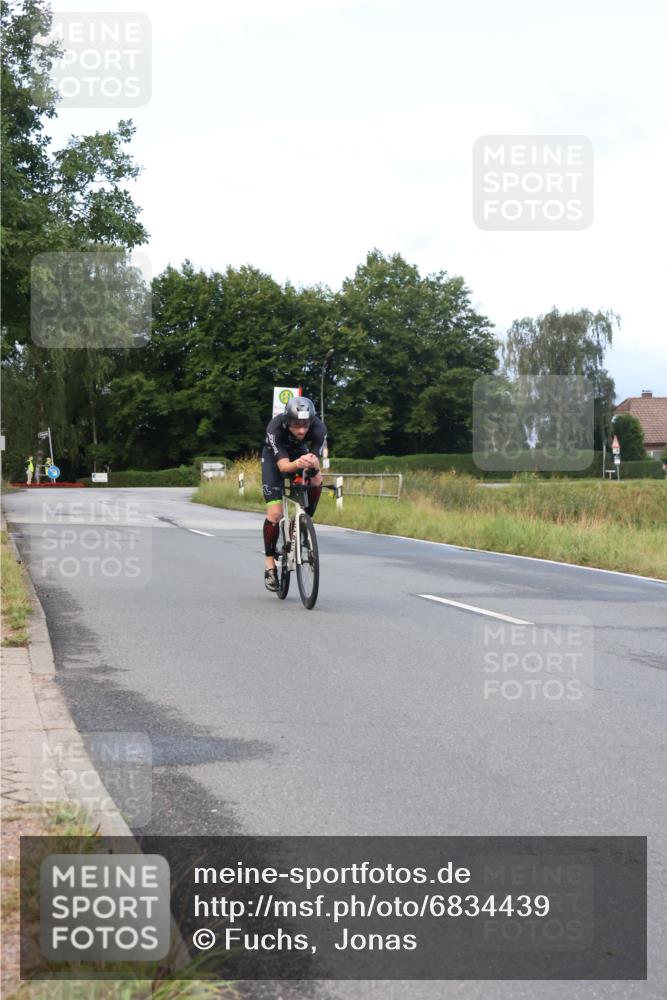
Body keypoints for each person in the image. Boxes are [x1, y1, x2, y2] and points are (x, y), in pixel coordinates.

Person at [261, 396, 326, 591]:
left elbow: (315, 459)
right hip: (275, 460)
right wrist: (298, 464)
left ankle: (305, 518)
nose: (301, 430)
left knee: (317, 478)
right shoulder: (275, 428)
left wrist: (311, 464)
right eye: (296, 425)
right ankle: (270, 563)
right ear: (287, 421)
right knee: (275, 514)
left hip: (300, 452)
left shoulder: (319, 429)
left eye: (305, 425)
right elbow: (283, 466)